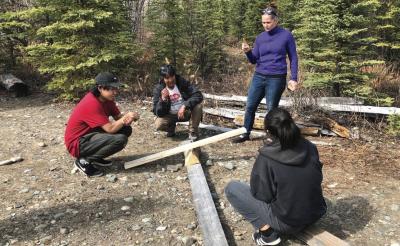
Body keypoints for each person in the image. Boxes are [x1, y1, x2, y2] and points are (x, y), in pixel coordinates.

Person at [225, 108, 326, 245]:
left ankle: (268, 235)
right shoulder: (310, 146)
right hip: (316, 214)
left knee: (232, 188)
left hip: (288, 223)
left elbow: (261, 195)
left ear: (269, 132)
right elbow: (317, 177)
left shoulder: (267, 157)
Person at [233, 4, 299, 143]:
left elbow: (293, 57)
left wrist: (293, 78)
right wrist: (247, 52)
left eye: (268, 22)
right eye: (263, 22)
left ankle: (272, 136)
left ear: (276, 20)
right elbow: (253, 60)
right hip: (259, 76)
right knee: (250, 106)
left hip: (276, 78)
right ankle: (245, 133)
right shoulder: (260, 38)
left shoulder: (286, 35)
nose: (265, 25)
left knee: (271, 110)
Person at [64, 72, 140, 177]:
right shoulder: (91, 103)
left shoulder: (107, 99)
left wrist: (130, 117)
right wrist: (124, 119)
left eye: (116, 88)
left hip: (90, 135)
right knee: (120, 139)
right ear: (100, 88)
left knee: (126, 129)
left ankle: (96, 156)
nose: (115, 92)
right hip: (77, 144)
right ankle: (84, 161)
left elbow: (118, 117)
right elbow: (110, 129)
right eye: (112, 89)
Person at [152, 64, 203, 141]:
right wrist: (163, 100)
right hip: (170, 115)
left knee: (198, 106)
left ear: (175, 75)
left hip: (184, 113)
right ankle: (171, 128)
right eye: (167, 78)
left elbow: (198, 95)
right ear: (163, 78)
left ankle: (193, 132)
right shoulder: (158, 89)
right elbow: (157, 112)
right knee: (159, 124)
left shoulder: (182, 82)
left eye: (172, 76)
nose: (170, 80)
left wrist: (185, 105)